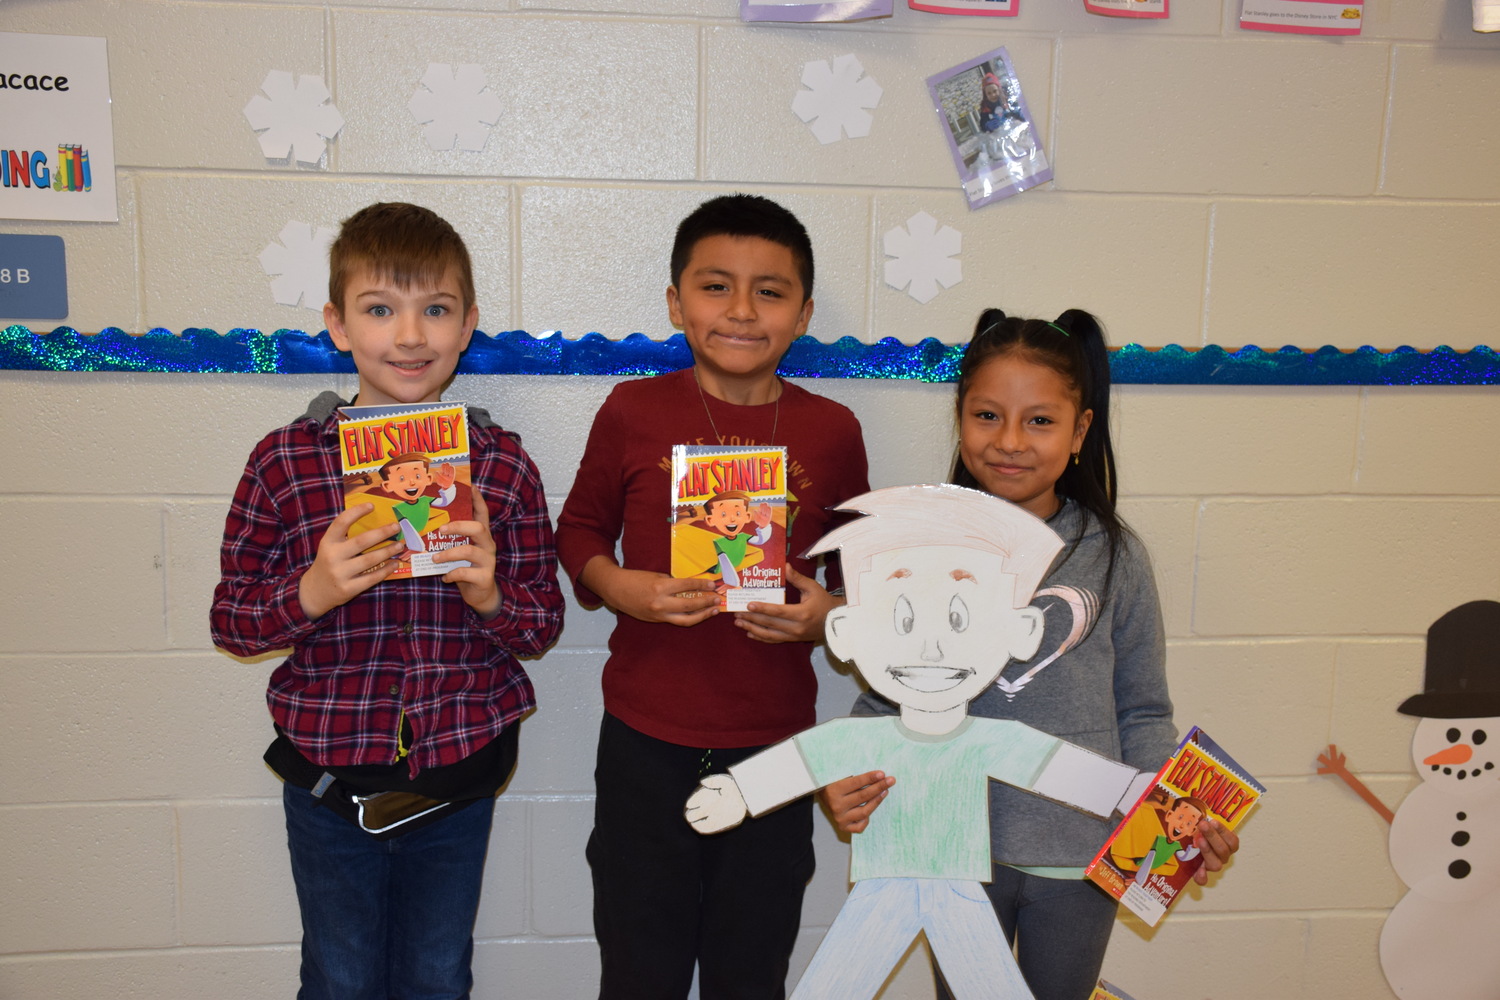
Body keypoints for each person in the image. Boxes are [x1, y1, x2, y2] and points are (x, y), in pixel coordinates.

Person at [822, 308, 1239, 1000]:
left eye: (1040, 421)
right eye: (988, 416)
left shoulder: (1115, 557)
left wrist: (1186, 809)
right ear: (960, 418)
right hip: (952, 848)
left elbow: (1142, 709)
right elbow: (882, 700)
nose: (1010, 441)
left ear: (1079, 431)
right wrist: (845, 774)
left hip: (1081, 858)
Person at [210, 202, 564, 1000]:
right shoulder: (286, 462)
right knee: (339, 978)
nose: (410, 335)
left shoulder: (500, 465)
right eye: (380, 310)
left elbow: (542, 624)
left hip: (460, 775)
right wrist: (311, 592)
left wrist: (489, 595)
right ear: (338, 325)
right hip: (328, 781)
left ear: (468, 324)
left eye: (435, 310)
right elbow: (230, 620)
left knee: (438, 976)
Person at [555, 193, 870, 999]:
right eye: (715, 286)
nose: (740, 311)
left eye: (770, 292)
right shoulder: (633, 409)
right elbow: (578, 532)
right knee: (637, 970)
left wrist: (825, 621)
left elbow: (859, 586)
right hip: (643, 744)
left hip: (774, 747)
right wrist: (620, 586)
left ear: (801, 314)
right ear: (675, 303)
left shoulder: (832, 430)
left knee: (751, 971)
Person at [685, 484, 1157, 1000]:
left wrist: (1151, 798)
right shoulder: (862, 735)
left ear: (1021, 630)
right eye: (903, 620)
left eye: (958, 621)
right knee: (831, 987)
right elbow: (805, 761)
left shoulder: (991, 739)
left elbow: (1061, 768)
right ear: (846, 631)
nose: (931, 647)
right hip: (882, 887)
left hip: (961, 893)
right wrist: (738, 792)